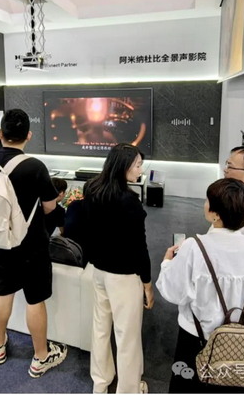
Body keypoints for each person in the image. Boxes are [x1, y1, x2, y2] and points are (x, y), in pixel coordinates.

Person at [156, 178, 244, 393]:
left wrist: (167, 263)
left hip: (196, 343)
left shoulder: (194, 247)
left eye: (207, 201)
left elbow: (172, 292)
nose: (205, 204)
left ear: (216, 214)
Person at [0, 108, 68, 378]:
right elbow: (50, 206)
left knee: (3, 292)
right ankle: (40, 357)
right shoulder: (35, 166)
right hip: (32, 243)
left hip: (0, 238)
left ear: (0, 133)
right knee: (35, 299)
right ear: (28, 135)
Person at [81, 143, 154, 394]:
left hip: (99, 272)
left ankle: (100, 383)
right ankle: (128, 389)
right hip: (124, 277)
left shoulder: (92, 189)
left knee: (101, 329)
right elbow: (139, 246)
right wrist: (147, 283)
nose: (140, 170)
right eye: (137, 165)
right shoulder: (129, 201)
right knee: (127, 336)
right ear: (123, 166)